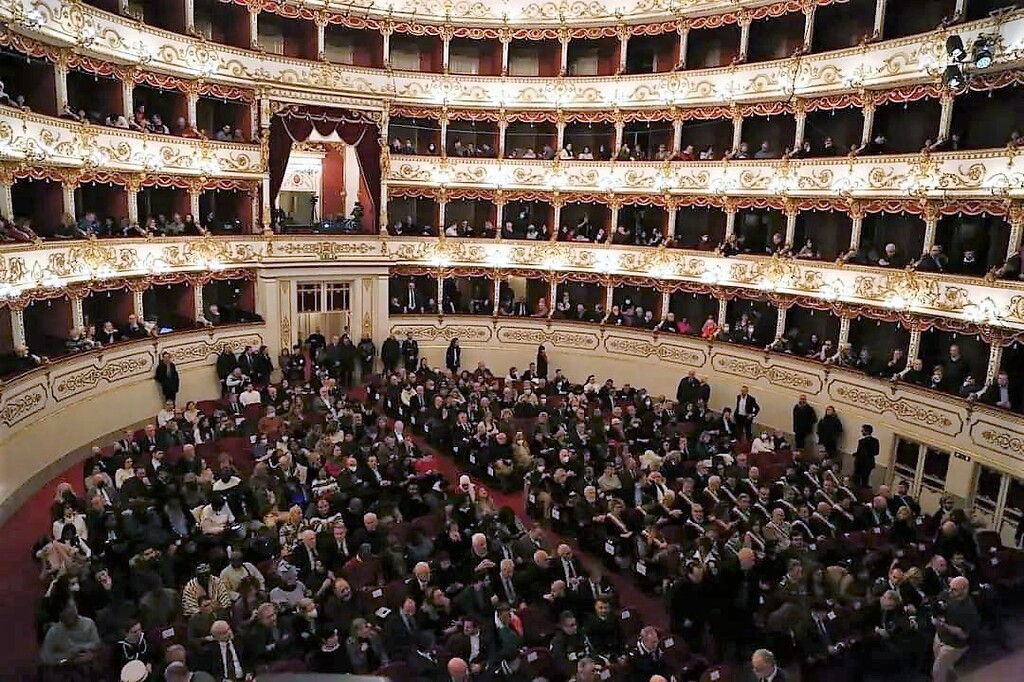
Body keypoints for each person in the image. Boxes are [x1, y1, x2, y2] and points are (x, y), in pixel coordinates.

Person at [932, 576, 980, 682]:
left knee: (938, 671)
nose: (949, 591)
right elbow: (936, 605)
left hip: (953, 645)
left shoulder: (969, 610)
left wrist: (944, 625)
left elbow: (963, 635)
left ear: (964, 590)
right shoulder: (946, 594)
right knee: (947, 668)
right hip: (939, 637)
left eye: (954, 589)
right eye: (950, 587)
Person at [852, 424, 879, 488]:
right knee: (865, 479)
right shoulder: (875, 441)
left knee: (857, 480)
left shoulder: (862, 441)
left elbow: (860, 452)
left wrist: (855, 454)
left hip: (860, 463)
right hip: (869, 463)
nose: (861, 432)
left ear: (866, 431)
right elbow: (876, 452)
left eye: (862, 431)